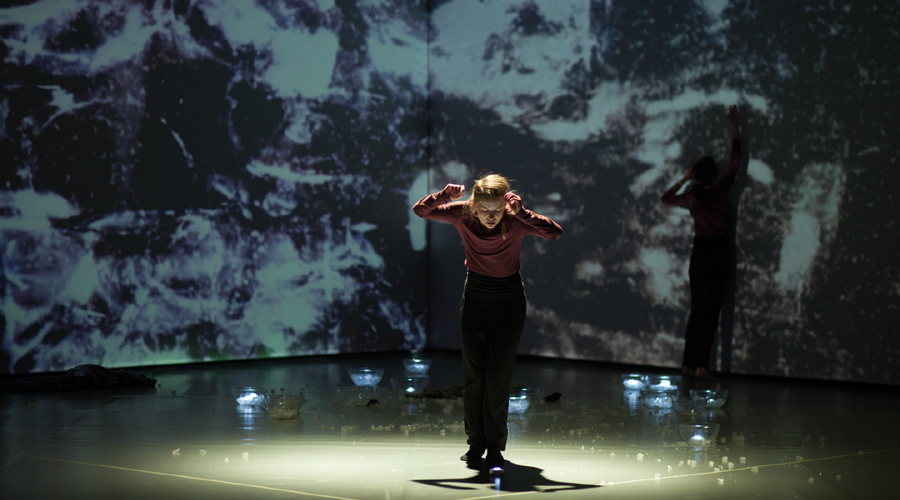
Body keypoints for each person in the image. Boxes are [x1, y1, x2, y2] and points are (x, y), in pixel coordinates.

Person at [413, 173, 562, 468]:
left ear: (505, 206)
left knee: (498, 376)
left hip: (509, 302)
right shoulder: (462, 213)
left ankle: (495, 446)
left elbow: (554, 233)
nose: (491, 217)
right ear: (474, 206)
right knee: (474, 375)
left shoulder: (515, 219)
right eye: (485, 210)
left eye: (497, 210)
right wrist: (444, 195)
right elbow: (421, 210)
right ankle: (476, 442)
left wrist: (523, 212)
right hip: (475, 299)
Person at [660, 105, 742, 382]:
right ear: (714, 175)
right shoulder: (720, 190)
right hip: (716, 254)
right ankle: (701, 367)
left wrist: (685, 178)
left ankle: (688, 365)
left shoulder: (693, 197)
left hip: (699, 254)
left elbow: (666, 198)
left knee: (697, 311)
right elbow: (736, 161)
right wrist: (734, 127)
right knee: (711, 311)